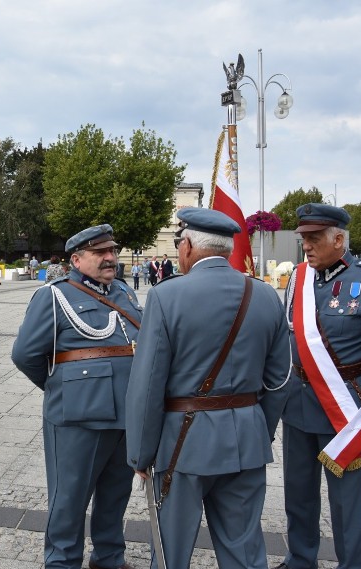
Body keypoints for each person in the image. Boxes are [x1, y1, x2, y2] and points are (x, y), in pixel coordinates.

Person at [126, 207, 290, 569]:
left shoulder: (166, 296)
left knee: (171, 552)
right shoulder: (265, 296)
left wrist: (139, 454)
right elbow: (280, 379)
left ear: (186, 247)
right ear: (227, 249)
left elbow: (147, 384)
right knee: (244, 551)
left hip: (182, 444)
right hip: (246, 440)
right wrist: (259, 427)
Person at [274, 204, 361, 569]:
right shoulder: (299, 279)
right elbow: (290, 339)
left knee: (347, 503)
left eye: (314, 239)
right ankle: (300, 559)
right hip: (298, 405)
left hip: (346, 409)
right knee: (298, 494)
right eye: (304, 240)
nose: (306, 247)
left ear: (339, 239)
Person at [11, 224, 141, 569]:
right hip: (78, 417)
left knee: (116, 493)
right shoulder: (53, 296)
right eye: (100, 253)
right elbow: (25, 354)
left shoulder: (124, 293)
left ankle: (109, 556)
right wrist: (63, 389)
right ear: (77, 259)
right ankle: (62, 561)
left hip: (126, 413)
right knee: (69, 497)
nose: (110, 258)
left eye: (112, 251)